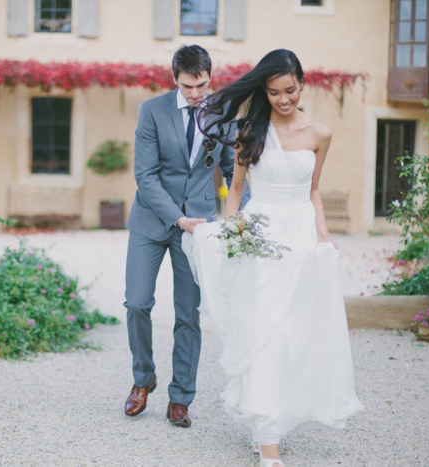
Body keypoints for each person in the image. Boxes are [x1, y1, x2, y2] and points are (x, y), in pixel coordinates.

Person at [183, 49, 363, 466]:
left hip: (299, 236)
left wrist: (323, 236)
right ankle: (268, 442)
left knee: (295, 333)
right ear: (264, 92)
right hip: (261, 235)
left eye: (290, 90)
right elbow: (237, 189)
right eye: (274, 92)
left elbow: (314, 190)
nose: (283, 99)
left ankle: (271, 419)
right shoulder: (251, 129)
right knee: (264, 332)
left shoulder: (321, 133)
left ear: (302, 83)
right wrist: (231, 230)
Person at [123, 45, 249, 428]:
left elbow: (231, 170)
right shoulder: (152, 111)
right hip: (151, 221)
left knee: (188, 315)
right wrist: (177, 219)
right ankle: (143, 379)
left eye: (202, 85)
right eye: (189, 85)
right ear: (174, 78)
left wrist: (243, 215)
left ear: (211, 77)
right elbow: (145, 175)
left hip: (199, 227)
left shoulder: (222, 114)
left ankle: (181, 398)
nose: (196, 93)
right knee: (137, 303)